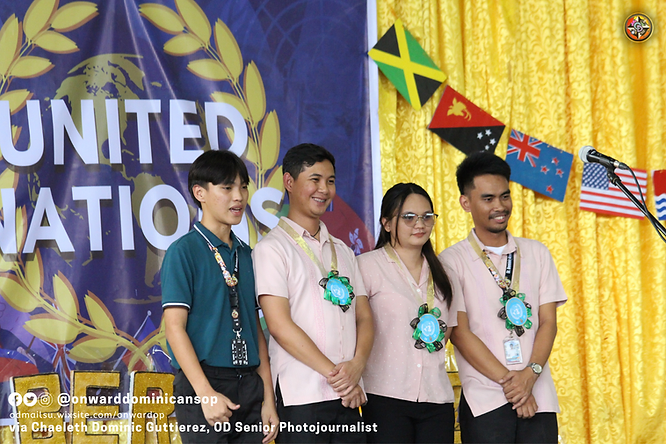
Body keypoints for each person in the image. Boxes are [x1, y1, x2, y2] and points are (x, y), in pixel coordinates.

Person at [439, 151, 567, 443]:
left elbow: (548, 322)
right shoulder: (451, 260)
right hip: (486, 400)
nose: (500, 206)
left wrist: (530, 375)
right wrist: (514, 386)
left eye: (504, 196)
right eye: (488, 199)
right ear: (465, 203)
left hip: (539, 395)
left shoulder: (537, 253)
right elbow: (459, 333)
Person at [253, 143, 374, 443]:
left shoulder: (343, 251)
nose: (324, 189)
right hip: (302, 396)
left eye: (330, 181)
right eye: (315, 180)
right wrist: (339, 377)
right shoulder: (272, 249)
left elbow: (364, 317)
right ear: (289, 182)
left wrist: (357, 366)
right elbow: (279, 326)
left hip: (348, 398)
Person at [161, 150, 278, 444]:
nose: (238, 197)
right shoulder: (184, 251)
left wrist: (268, 398)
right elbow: (174, 327)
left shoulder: (248, 255)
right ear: (199, 193)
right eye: (227, 188)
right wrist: (205, 393)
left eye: (243, 187)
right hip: (203, 382)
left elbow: (254, 328)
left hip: (249, 384)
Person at [358, 183, 457, 444]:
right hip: (385, 396)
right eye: (409, 217)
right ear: (387, 223)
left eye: (427, 216)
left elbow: (447, 331)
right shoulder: (366, 266)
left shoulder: (445, 273)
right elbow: (356, 327)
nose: (420, 224)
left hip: (437, 398)